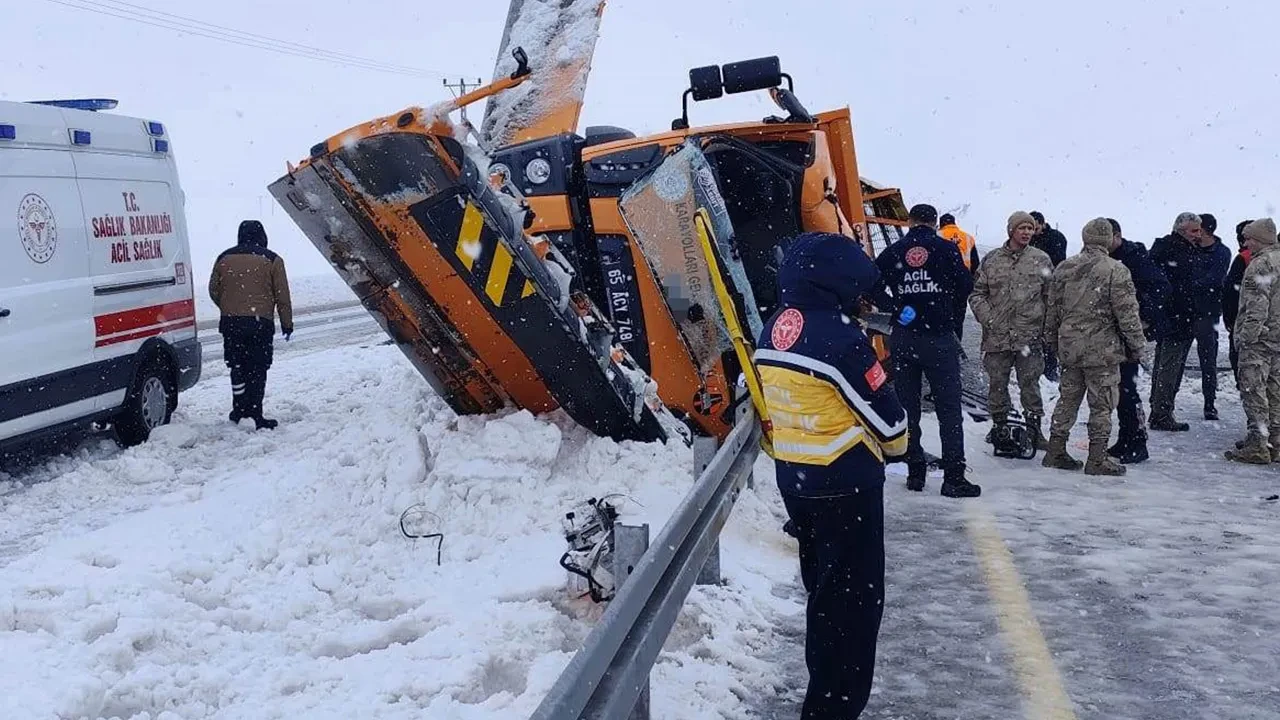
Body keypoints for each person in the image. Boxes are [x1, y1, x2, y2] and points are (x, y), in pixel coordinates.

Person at [754, 231, 909, 719]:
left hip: (796, 483)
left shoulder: (776, 325)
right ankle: (832, 711)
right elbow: (892, 425)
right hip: (847, 487)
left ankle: (822, 698)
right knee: (854, 613)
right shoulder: (841, 341)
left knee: (822, 601)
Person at [874, 203, 980, 497]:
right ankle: (954, 477)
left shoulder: (894, 252)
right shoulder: (945, 249)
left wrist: (894, 308)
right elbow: (965, 284)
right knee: (948, 408)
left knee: (908, 407)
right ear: (934, 223)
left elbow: (870, 282)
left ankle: (915, 470)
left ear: (909, 222)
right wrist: (945, 308)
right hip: (939, 337)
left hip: (904, 337)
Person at [1042, 218, 1146, 476]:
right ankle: (1097, 457)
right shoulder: (1115, 270)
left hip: (1071, 346)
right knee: (1102, 405)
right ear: (1109, 239)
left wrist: (1052, 340)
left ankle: (1055, 450)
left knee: (1068, 399)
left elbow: (1052, 309)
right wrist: (1137, 345)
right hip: (1102, 350)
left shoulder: (1065, 267)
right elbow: (1127, 314)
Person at [969, 211, 1053, 449]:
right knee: (997, 383)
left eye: (1030, 228)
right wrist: (989, 319)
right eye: (1021, 228)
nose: (1026, 232)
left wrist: (1045, 328)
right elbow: (977, 294)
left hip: (1029, 336)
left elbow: (1051, 297)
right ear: (1011, 231)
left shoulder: (1041, 260)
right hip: (997, 337)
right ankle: (1000, 428)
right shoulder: (992, 260)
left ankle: (1034, 430)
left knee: (1031, 384)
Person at [1148, 212, 1231, 428]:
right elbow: (1172, 285)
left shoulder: (1185, 250)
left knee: (1172, 365)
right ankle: (1161, 413)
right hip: (1177, 318)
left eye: (1200, 230)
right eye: (1194, 230)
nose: (1198, 235)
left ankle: (1162, 410)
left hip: (1185, 316)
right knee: (1168, 367)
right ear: (1181, 230)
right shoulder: (1173, 251)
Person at [209, 220, 293, 429]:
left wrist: (229, 307)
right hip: (259, 325)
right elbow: (282, 296)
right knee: (258, 368)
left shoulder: (223, 258)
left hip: (231, 324)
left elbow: (213, 290)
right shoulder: (272, 260)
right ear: (262, 236)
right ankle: (255, 413)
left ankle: (239, 410)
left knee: (236, 366)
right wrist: (286, 323)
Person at [1105, 218, 1171, 464]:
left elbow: (1159, 288)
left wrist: (1140, 317)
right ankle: (1125, 438)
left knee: (1127, 389)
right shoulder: (1108, 259)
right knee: (1119, 390)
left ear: (1117, 235)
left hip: (1129, 332)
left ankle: (1137, 441)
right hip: (1112, 334)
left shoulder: (1134, 257)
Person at [1225, 218, 1280, 464]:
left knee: (1253, 389)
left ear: (1259, 239)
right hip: (1276, 337)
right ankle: (1275, 440)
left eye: (1249, 239)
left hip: (1259, 339)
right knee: (1274, 389)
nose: (1245, 243)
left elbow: (1256, 306)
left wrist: (1246, 337)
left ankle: (1257, 443)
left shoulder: (1260, 265)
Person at [1029, 211, 1068, 381]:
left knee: (1049, 330)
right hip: (1031, 291)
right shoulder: (1030, 239)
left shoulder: (1055, 238)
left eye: (1035, 227)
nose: (1032, 231)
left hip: (1050, 290)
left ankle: (1050, 369)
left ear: (1042, 223)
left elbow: (1058, 265)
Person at [1221, 219, 1254, 387]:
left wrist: (1230, 320)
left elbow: (1230, 292)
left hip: (1245, 321)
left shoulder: (1243, 259)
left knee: (1242, 368)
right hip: (1271, 324)